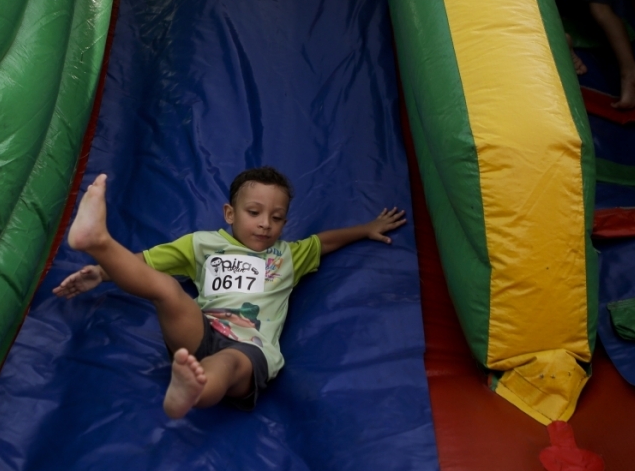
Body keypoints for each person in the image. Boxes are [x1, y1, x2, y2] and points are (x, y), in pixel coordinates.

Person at [54, 166, 406, 419]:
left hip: (249, 347)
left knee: (225, 364)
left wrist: (366, 228)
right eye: (254, 212)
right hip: (200, 328)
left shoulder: (287, 255)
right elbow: (147, 262)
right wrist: (101, 273)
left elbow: (325, 240)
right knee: (165, 289)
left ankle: (191, 391)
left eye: (278, 217)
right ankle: (98, 243)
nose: (266, 223)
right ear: (229, 213)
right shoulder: (203, 244)